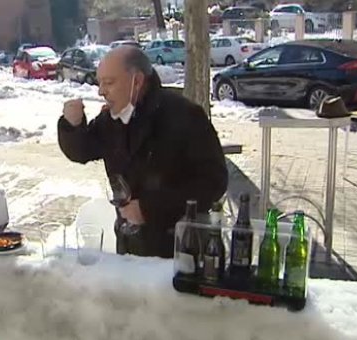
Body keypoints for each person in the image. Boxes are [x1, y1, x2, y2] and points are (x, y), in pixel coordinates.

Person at [57, 46, 228, 258]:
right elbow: (82, 151)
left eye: (109, 82)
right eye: (99, 83)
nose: (101, 91)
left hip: (178, 249)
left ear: (136, 81)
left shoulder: (184, 115)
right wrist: (72, 126)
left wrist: (150, 208)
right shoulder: (112, 118)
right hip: (129, 247)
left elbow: (214, 182)